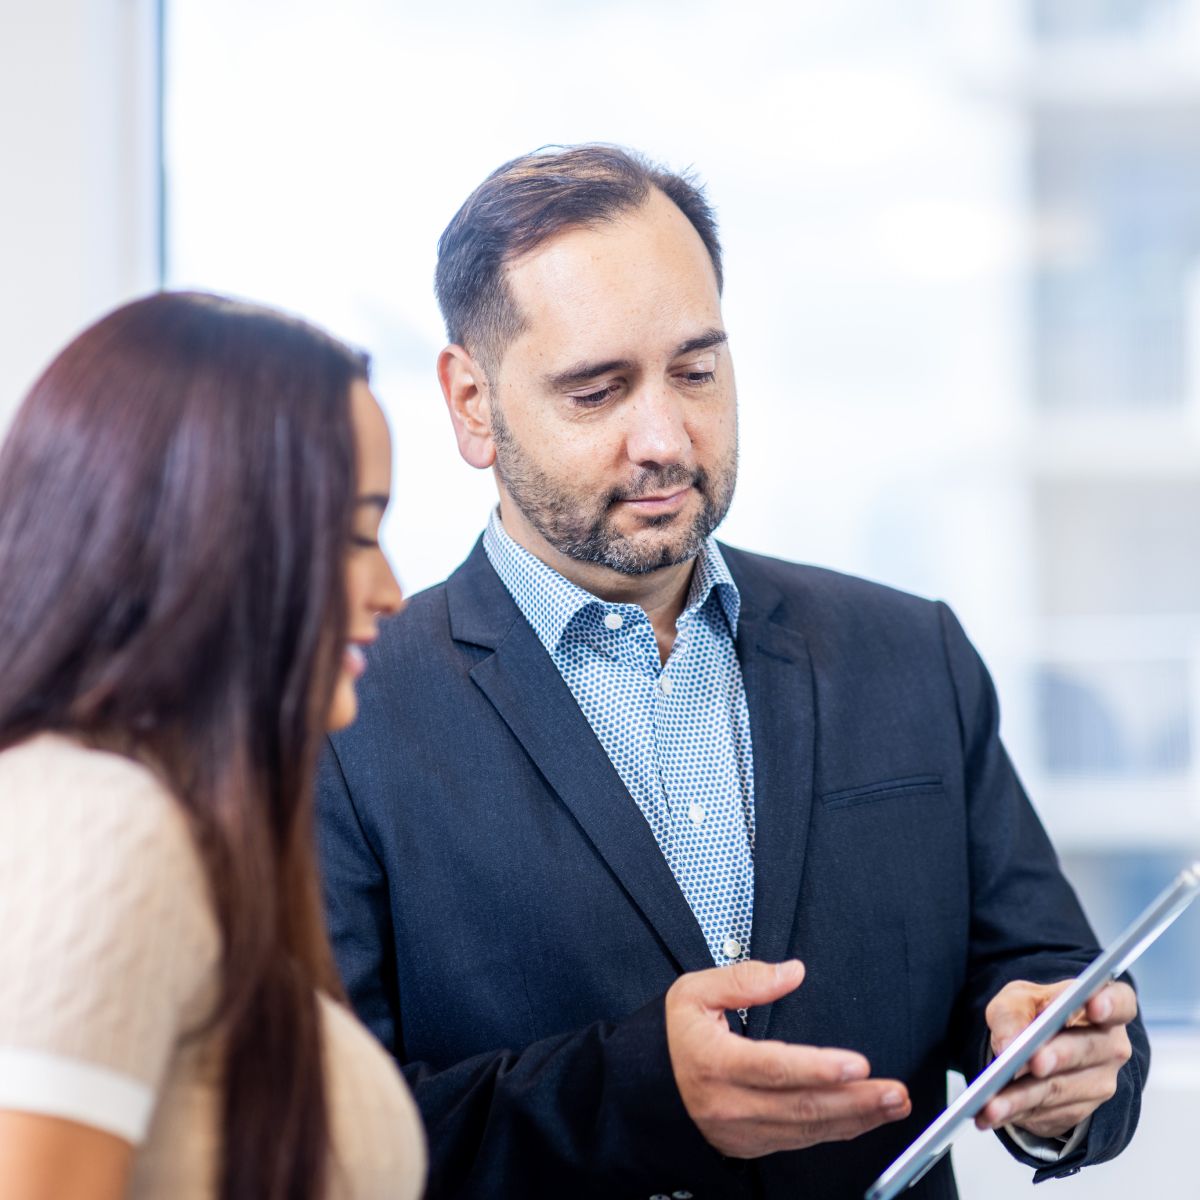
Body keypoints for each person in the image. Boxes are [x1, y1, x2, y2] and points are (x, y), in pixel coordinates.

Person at [317, 146, 1148, 1199]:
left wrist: (1067, 1066)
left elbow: (1054, 988)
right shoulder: (342, 717)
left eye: (697, 371)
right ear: (471, 403)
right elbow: (324, 1143)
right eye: (596, 390)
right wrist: (643, 1094)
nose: (664, 437)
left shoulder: (908, 655)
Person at [0, 292, 422, 1200]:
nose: (391, 590)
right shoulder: (105, 829)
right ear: (208, 543)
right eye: (355, 535)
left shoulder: (139, 824)